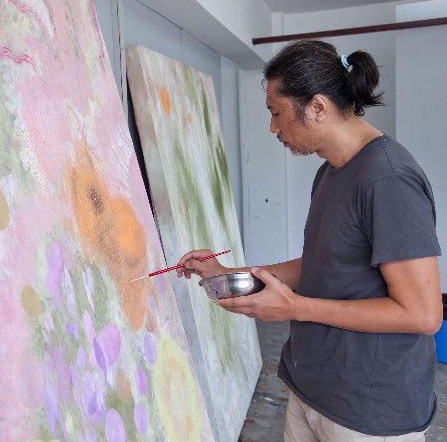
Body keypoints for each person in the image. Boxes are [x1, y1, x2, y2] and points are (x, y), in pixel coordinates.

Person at [176, 40, 442, 442]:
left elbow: (422, 315)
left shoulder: (388, 179)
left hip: (368, 410)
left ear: (317, 107)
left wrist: (295, 307)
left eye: (276, 112)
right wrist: (228, 273)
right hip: (313, 389)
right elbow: (325, 261)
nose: (273, 127)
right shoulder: (331, 170)